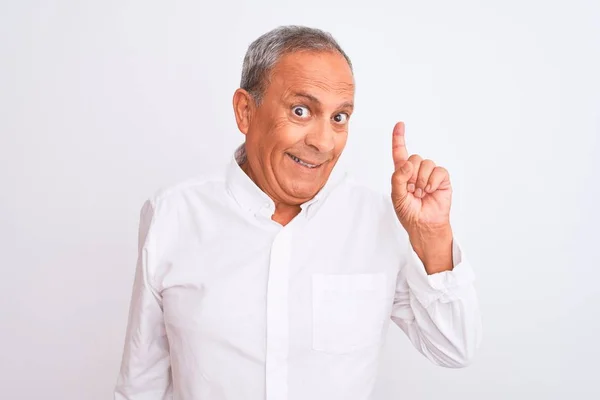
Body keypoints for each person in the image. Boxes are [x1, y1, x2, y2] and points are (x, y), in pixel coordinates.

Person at [114, 25, 482, 400]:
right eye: (301, 110)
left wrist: (432, 236)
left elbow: (453, 349)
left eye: (339, 117)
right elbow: (141, 383)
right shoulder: (173, 214)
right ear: (245, 111)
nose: (323, 142)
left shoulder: (379, 221)